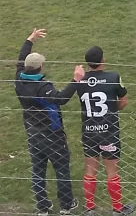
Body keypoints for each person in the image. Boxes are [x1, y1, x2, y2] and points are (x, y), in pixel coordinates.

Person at [15, 28, 84, 216]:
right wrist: (76, 80)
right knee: (61, 169)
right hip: (52, 134)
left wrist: (30, 39)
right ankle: (66, 205)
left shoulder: (19, 80)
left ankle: (43, 207)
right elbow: (61, 99)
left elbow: (21, 59)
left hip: (32, 133)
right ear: (40, 68)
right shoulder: (42, 87)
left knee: (38, 170)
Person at [76, 46, 136, 215]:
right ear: (102, 60)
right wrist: (111, 108)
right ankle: (117, 209)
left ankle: (89, 208)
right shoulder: (113, 77)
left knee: (90, 170)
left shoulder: (79, 80)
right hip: (109, 131)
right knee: (112, 171)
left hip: (88, 131)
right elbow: (124, 102)